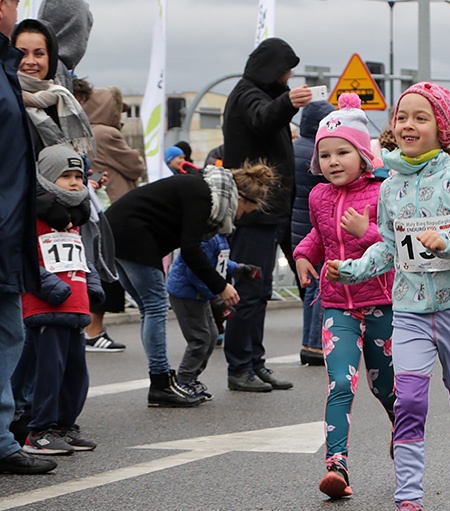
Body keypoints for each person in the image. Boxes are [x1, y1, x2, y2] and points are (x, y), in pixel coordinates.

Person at [326, 82, 450, 511]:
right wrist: (351, 270)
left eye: (420, 118)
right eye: (402, 116)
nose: (408, 125)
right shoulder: (391, 185)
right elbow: (387, 246)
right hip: (407, 308)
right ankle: (410, 505)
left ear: (441, 129)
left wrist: (448, 242)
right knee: (408, 402)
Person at [105, 161, 276, 406]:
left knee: (148, 310)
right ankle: (161, 383)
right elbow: (191, 249)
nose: (240, 217)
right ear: (240, 198)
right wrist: (221, 286)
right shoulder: (203, 196)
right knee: (155, 308)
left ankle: (162, 382)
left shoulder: (203, 188)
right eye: (246, 210)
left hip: (117, 233)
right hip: (133, 236)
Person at [293, 93, 395, 499]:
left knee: (385, 387)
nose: (334, 162)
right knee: (340, 383)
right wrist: (303, 255)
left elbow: (391, 243)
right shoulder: (319, 196)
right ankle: (337, 465)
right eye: (327, 154)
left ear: (363, 154)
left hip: (380, 303)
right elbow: (318, 235)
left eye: (343, 152)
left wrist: (363, 232)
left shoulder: (381, 192)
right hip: (337, 305)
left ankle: (400, 430)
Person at [222, 37, 311, 392]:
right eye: (285, 71)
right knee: (248, 290)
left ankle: (254, 362)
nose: (288, 78)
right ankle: (240, 366)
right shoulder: (247, 95)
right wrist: (288, 102)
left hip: (267, 212)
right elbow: (262, 120)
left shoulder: (253, 91)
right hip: (254, 212)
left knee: (259, 291)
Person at [0, 0, 58, 475]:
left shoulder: (10, 74)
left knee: (12, 332)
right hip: (10, 227)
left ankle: (5, 435)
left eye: (41, 51)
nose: (31, 60)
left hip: (16, 230)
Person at [22, 145, 104, 455]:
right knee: (49, 372)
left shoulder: (74, 219)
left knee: (76, 374)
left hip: (75, 306)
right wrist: (50, 287)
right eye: (65, 176)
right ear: (45, 178)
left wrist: (92, 286)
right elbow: (26, 259)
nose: (73, 183)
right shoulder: (33, 217)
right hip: (47, 307)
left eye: (78, 176)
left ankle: (65, 425)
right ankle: (39, 431)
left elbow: (82, 259)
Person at [81, 85, 143, 352]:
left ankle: (91, 330)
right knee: (108, 272)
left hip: (97, 207)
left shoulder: (85, 131)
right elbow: (135, 165)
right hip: (115, 207)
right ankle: (94, 331)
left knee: (96, 268)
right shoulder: (107, 133)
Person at [166, 234, 261, 401]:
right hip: (186, 294)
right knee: (200, 338)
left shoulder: (220, 237)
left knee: (211, 335)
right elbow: (198, 272)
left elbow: (219, 263)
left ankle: (192, 378)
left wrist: (238, 268)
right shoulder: (206, 238)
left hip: (201, 295)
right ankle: (183, 380)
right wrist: (215, 296)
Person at [290, 100, 334, 367]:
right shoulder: (318, 153)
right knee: (321, 285)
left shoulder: (294, 148)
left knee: (311, 286)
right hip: (317, 227)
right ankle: (316, 345)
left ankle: (308, 342)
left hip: (297, 226)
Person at [11, 18, 93, 156]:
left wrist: (81, 177)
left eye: (39, 54)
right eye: (22, 53)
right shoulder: (6, 100)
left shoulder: (62, 99)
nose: (30, 61)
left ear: (51, 58)